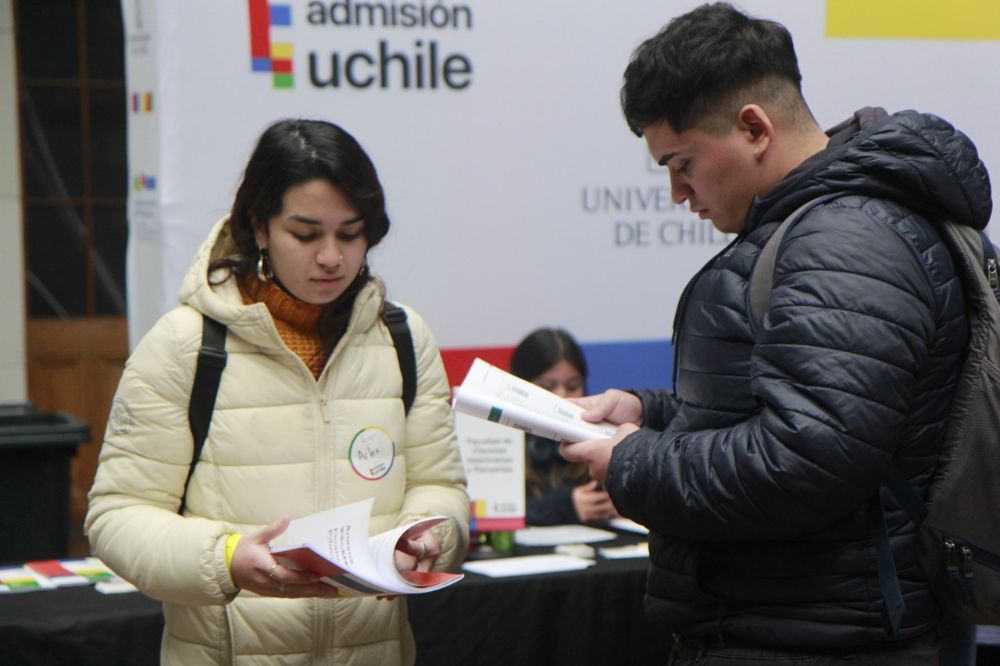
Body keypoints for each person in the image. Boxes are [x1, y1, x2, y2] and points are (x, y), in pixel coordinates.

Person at [560, 4, 992, 665]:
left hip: (830, 639)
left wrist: (634, 462)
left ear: (754, 128)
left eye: (682, 163)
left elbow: (806, 457)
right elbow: (812, 406)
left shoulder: (846, 239)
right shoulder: (831, 225)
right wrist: (650, 412)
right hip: (809, 627)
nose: (679, 193)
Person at [85, 118, 470, 665]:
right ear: (259, 227)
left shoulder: (402, 338)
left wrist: (425, 536)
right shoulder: (186, 345)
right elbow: (117, 515)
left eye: (351, 233)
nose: (332, 257)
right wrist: (227, 559)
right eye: (306, 234)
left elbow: (440, 486)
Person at [509, 328, 617, 525]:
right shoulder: (496, 441)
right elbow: (487, 513)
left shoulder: (601, 442)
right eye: (547, 387)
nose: (563, 398)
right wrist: (562, 508)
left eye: (573, 386)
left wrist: (624, 504)